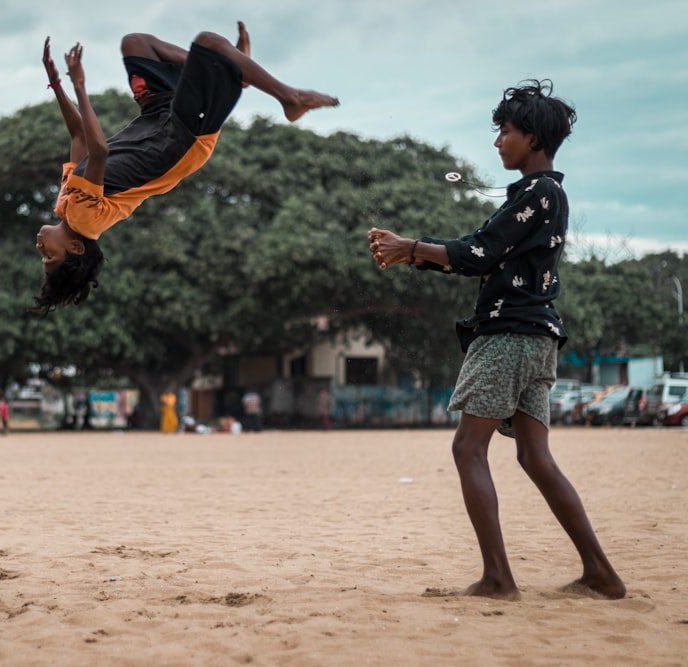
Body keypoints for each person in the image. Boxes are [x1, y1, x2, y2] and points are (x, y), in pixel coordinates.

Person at [367, 80, 624, 601]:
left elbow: (480, 252)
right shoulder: (541, 194)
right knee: (535, 458)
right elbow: (485, 258)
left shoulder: (539, 193)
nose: (497, 141)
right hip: (536, 336)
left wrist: (410, 245)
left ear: (532, 137)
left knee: (468, 448)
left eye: (504, 131)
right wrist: (412, 254)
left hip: (510, 336)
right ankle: (601, 574)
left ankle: (498, 579)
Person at [31, 22, 339, 314]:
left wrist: (56, 83)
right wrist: (80, 86)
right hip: (181, 142)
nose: (39, 246)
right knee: (208, 42)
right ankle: (290, 98)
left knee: (136, 44)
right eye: (48, 255)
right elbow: (98, 151)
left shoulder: (66, 205)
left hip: (159, 116)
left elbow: (78, 136)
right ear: (75, 247)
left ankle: (233, 68)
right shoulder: (84, 221)